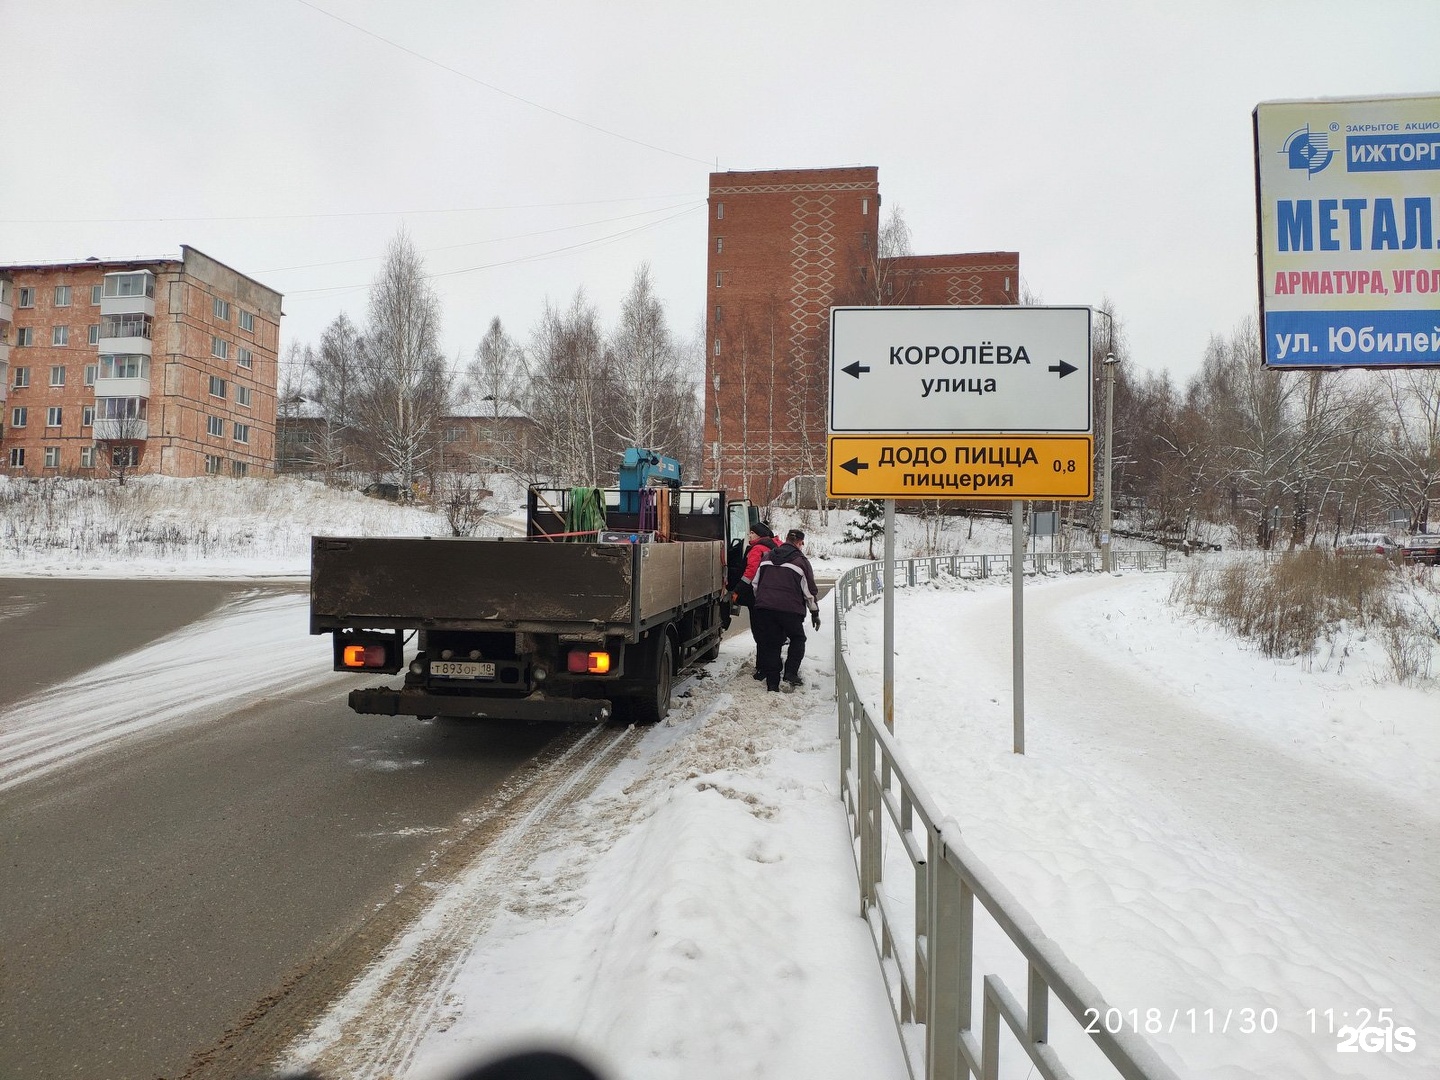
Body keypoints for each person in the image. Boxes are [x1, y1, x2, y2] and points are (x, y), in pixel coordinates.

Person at [751, 528, 820, 693]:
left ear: (787, 539)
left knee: (771, 643)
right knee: (798, 638)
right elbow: (809, 591)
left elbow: (755, 584)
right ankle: (790, 673)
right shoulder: (801, 562)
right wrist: (814, 612)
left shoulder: (767, 557)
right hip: (790, 610)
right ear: (798, 543)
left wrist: (763, 600)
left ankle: (772, 683)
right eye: (802, 544)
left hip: (765, 608)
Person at [732, 522, 779, 677]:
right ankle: (771, 665)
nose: (749, 535)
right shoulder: (776, 546)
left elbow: (750, 573)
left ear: (759, 535)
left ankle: (763, 668)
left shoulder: (757, 549)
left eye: (752, 533)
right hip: (773, 596)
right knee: (770, 632)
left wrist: (737, 590)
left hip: (757, 597)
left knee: (759, 632)